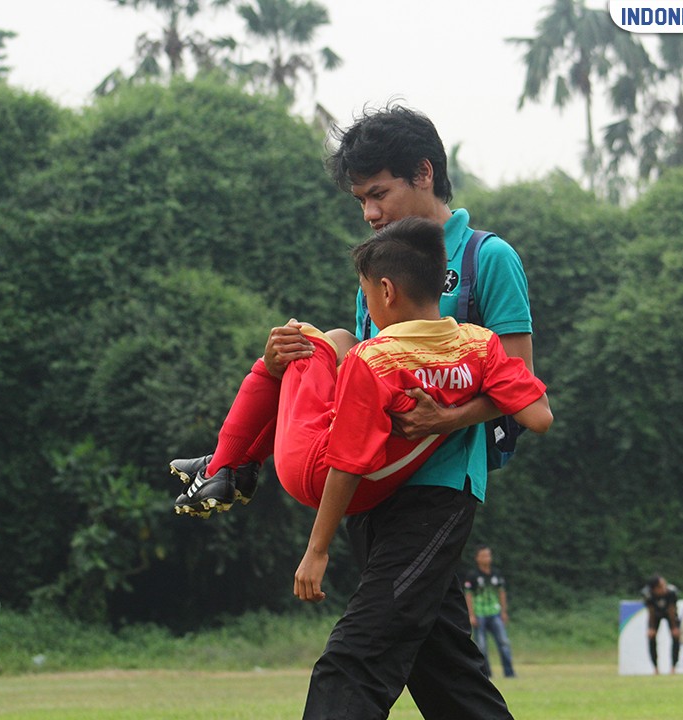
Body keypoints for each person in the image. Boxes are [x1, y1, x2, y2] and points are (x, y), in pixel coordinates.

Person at [270, 105, 534, 720]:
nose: (369, 212)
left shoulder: (487, 258)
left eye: (379, 193)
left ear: (424, 172)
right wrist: (301, 353)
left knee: (357, 656)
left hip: (437, 492)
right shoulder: (379, 268)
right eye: (361, 199)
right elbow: (365, 368)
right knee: (445, 675)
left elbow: (523, 384)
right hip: (371, 489)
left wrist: (448, 419)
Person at [170, 218, 551, 526]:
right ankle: (231, 466)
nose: (370, 212)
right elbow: (538, 416)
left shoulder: (375, 357)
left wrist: (316, 552)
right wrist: (447, 415)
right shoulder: (481, 346)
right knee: (433, 618)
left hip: (316, 473)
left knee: (300, 341)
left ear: (386, 292)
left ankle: (225, 464)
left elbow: (346, 461)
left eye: (377, 194)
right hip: (380, 483)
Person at [464, 545, 516, 679]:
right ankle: (486, 674)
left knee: (504, 642)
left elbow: (502, 593)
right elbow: (468, 596)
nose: (487, 558)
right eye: (483, 555)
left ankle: (509, 673)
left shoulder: (496, 574)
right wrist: (471, 615)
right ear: (477, 558)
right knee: (481, 646)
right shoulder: (473, 576)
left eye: (488, 555)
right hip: (479, 614)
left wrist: (504, 612)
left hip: (495, 613)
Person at [641, 574, 680, 675]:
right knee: (651, 638)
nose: (664, 588)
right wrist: (651, 627)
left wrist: (674, 627)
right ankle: (655, 668)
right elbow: (651, 611)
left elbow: (672, 610)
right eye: (661, 586)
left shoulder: (671, 592)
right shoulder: (648, 594)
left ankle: (673, 667)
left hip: (669, 613)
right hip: (656, 614)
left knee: (676, 637)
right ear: (654, 589)